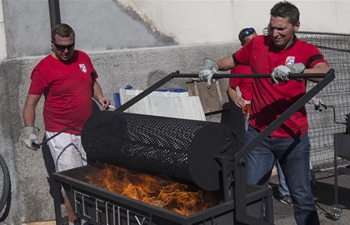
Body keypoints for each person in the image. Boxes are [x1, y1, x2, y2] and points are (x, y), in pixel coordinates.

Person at [199, 1, 330, 224]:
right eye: (272, 27)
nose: (275, 33)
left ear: (296, 26)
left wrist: (296, 71)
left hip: (292, 136)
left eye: (281, 29)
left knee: (301, 196)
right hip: (259, 134)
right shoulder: (258, 44)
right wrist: (213, 66)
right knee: (252, 194)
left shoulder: (306, 50)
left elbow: (324, 72)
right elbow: (232, 59)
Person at [21, 23, 110, 225]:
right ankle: (75, 222)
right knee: (72, 183)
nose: (66, 51)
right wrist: (29, 131)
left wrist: (100, 97)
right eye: (61, 47)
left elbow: (92, 82)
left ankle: (93, 219)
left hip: (88, 130)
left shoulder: (83, 58)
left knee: (92, 178)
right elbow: (30, 104)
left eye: (70, 45)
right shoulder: (43, 69)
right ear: (52, 44)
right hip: (61, 133)